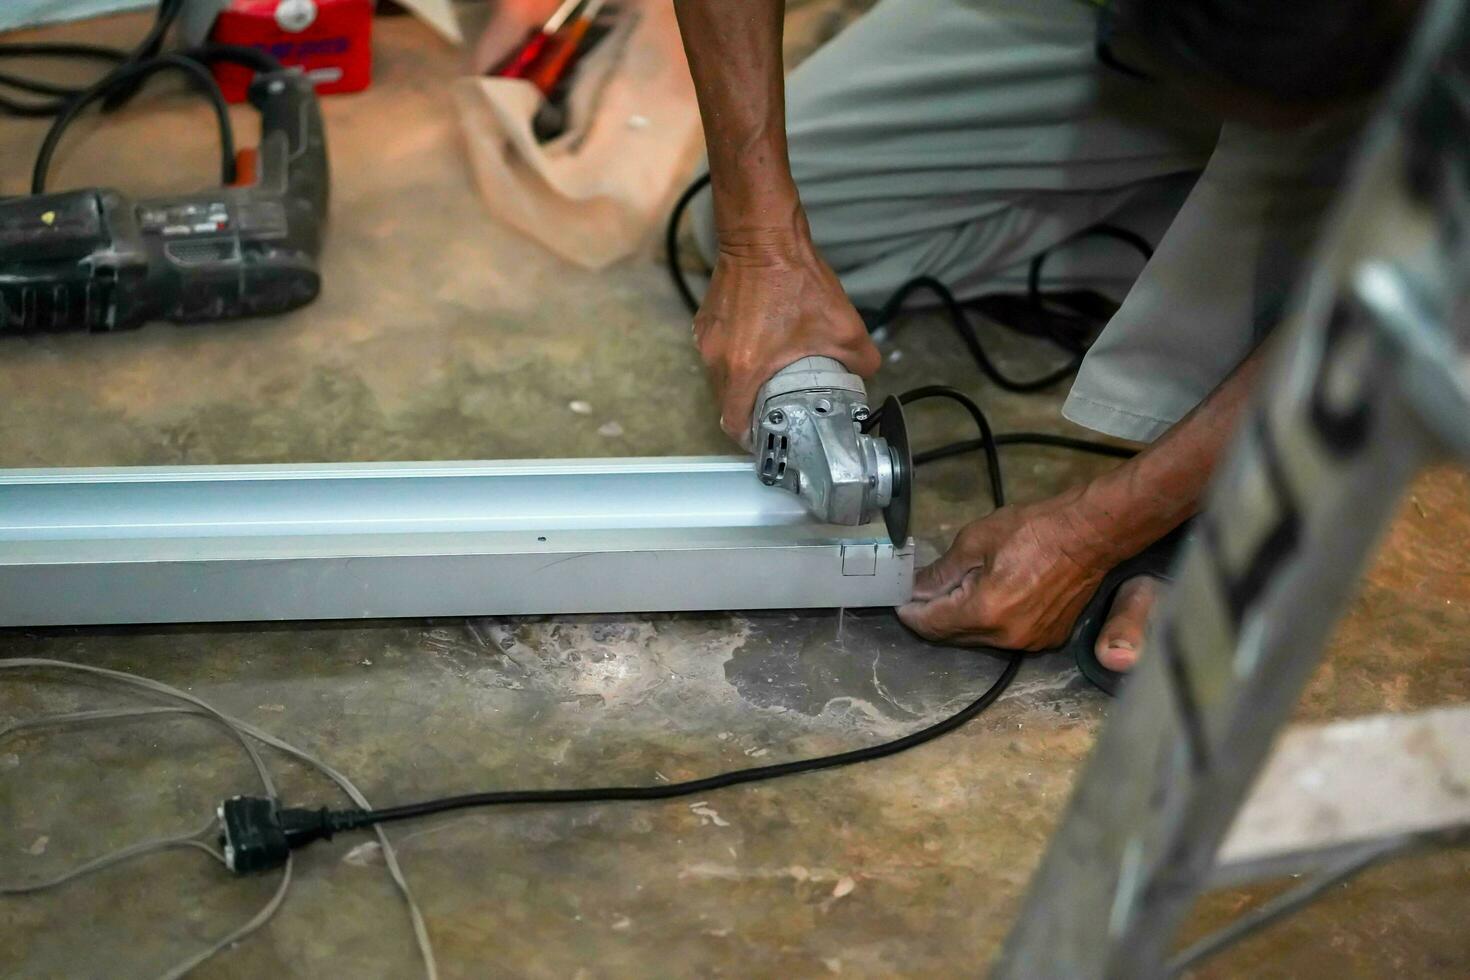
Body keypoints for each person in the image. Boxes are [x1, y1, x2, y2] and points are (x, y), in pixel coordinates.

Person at [671, 0, 1413, 672]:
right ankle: (1202, 243)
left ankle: (1270, 279)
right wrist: (760, 241)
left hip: (1382, 91)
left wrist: (1095, 532)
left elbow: (1401, 294)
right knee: (749, 209)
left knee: (1399, 255)